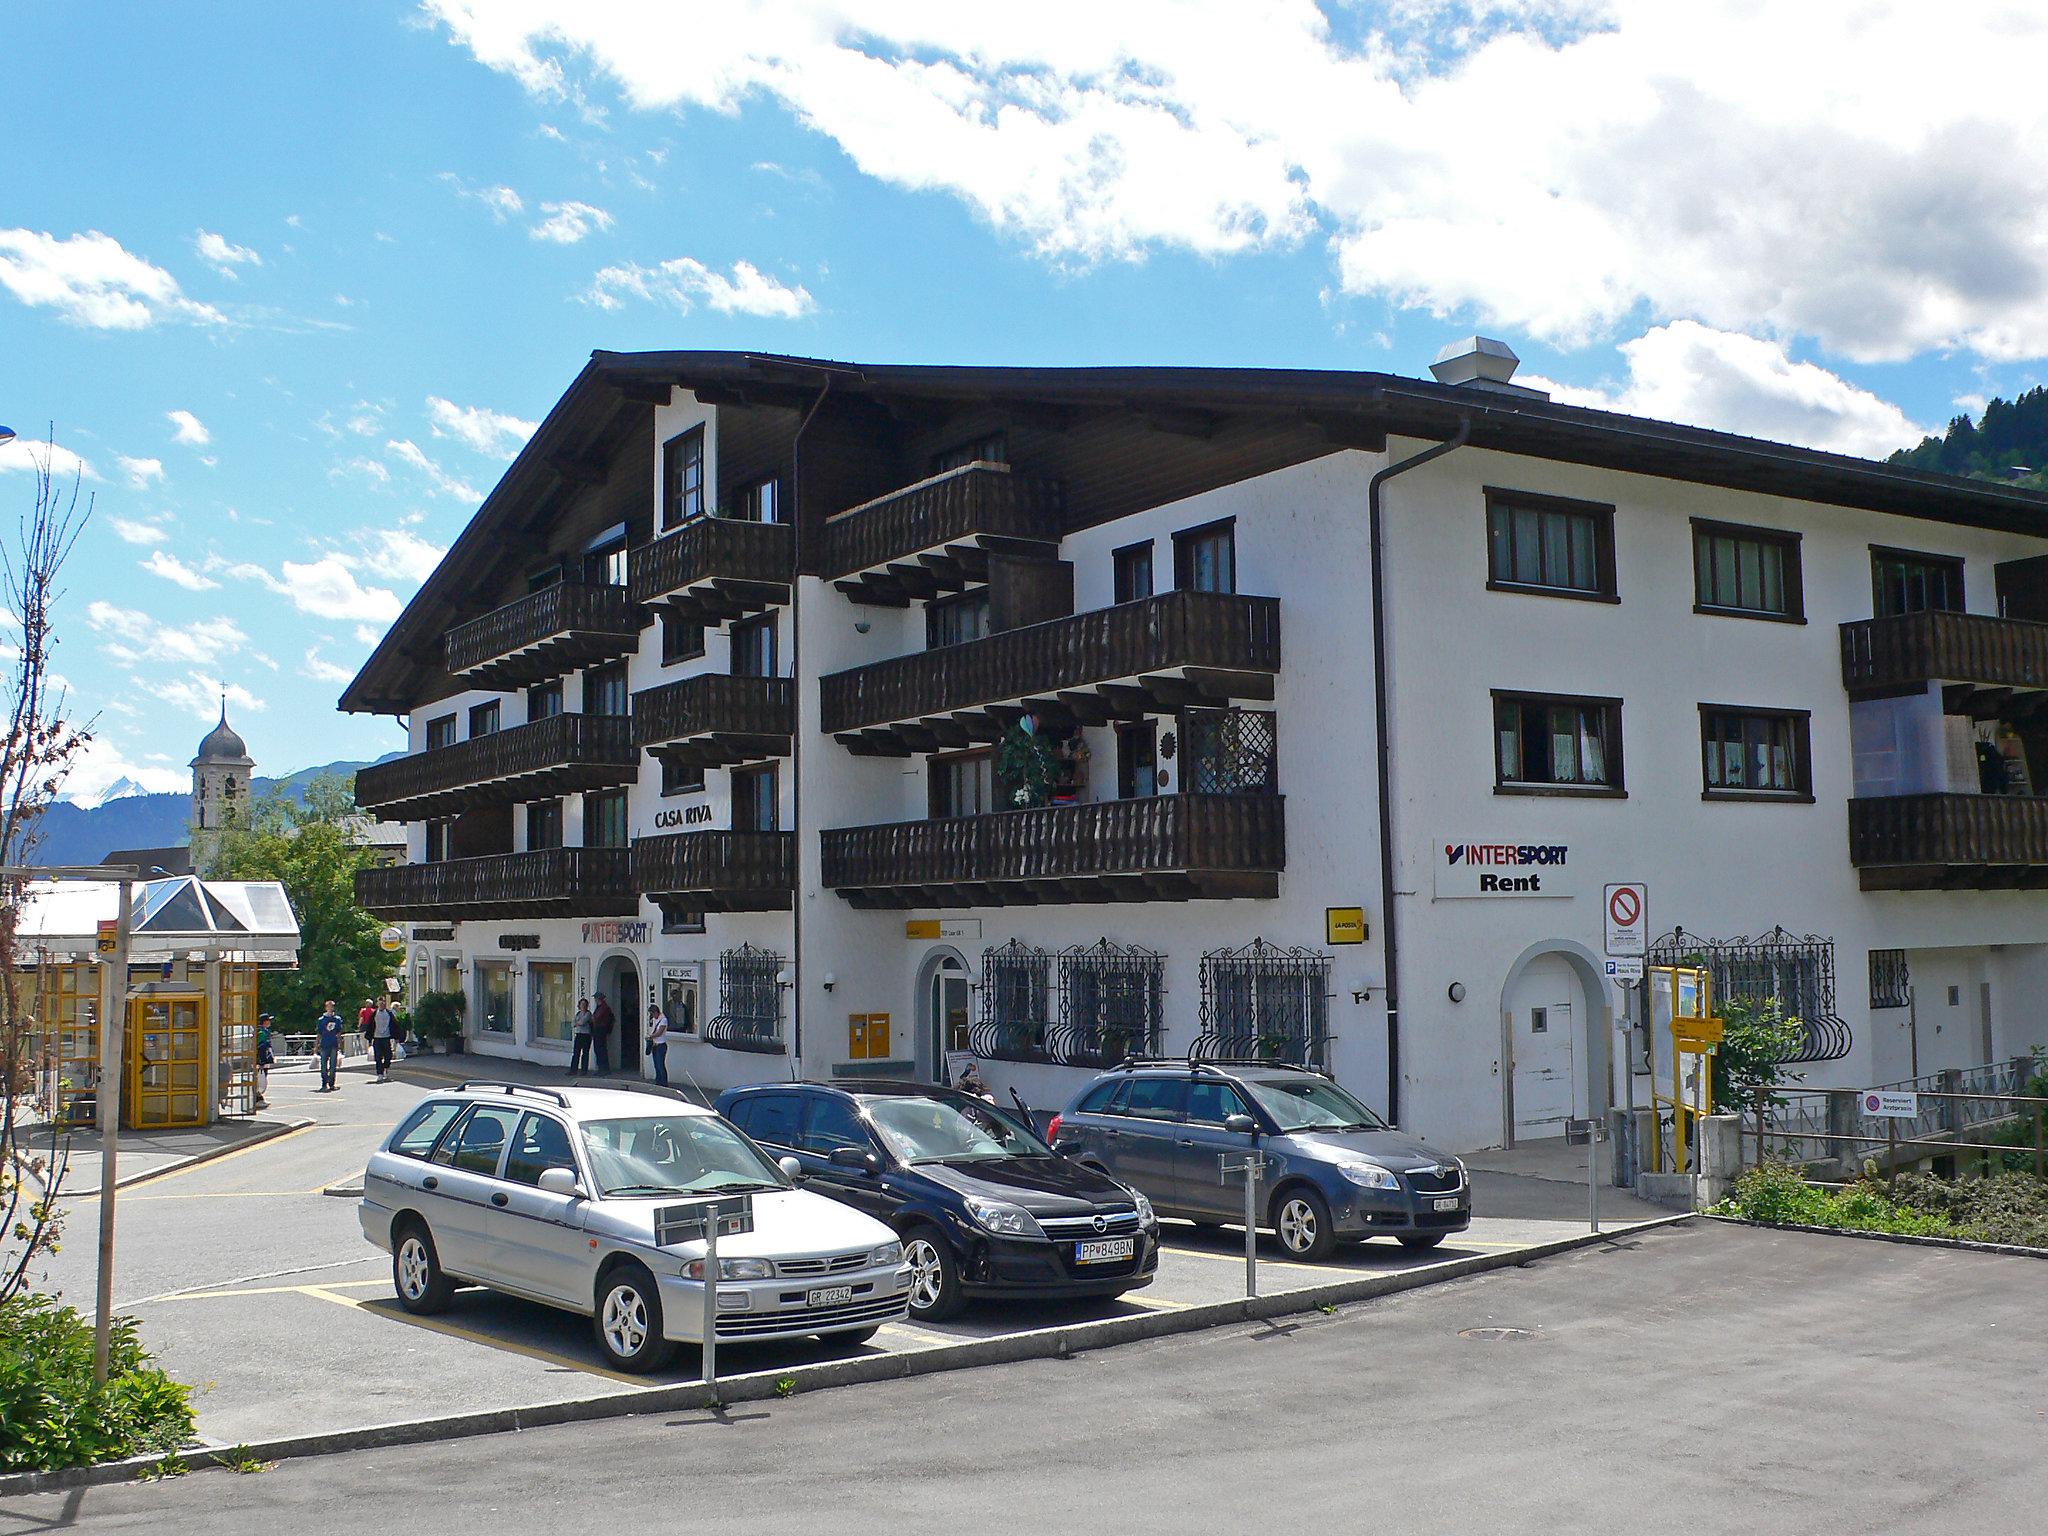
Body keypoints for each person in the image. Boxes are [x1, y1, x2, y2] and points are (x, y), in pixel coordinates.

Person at [314, 1000, 344, 1092]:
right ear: (326, 1008)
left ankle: (332, 1083)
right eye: (329, 1006)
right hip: (324, 1044)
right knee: (323, 1065)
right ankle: (324, 1083)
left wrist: (340, 1044)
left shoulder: (337, 1019)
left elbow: (339, 1033)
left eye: (332, 1006)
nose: (331, 1008)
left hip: (333, 1044)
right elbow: (319, 1033)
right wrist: (316, 1045)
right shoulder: (321, 1020)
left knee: (333, 1065)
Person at [369, 999, 395, 1082]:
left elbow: (394, 1025)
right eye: (380, 1004)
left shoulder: (389, 1013)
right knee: (378, 1057)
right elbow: (370, 1025)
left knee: (388, 1056)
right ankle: (380, 1073)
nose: (381, 1005)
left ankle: (385, 1067)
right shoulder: (374, 1014)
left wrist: (396, 1037)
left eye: (383, 1003)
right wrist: (370, 1038)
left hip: (386, 1037)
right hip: (377, 1038)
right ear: (377, 1004)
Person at [645, 1003, 669, 1088]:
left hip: (661, 1045)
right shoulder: (655, 1019)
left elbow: (659, 1032)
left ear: (656, 1012)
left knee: (660, 1064)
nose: (652, 1016)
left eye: (652, 1013)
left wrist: (650, 1036)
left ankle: (664, 1083)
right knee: (656, 1065)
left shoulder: (663, 1020)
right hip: (655, 1045)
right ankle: (658, 1082)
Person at [591, 994, 615, 1074]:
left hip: (600, 1030)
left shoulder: (603, 1007)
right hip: (599, 1030)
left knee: (600, 1050)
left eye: (596, 998)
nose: (595, 1000)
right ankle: (603, 1068)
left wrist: (593, 1019)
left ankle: (603, 1069)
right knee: (600, 1050)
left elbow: (596, 1017)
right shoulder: (602, 1007)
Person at [568, 997, 593, 1076]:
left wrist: (577, 1023)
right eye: (582, 1004)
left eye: (585, 1004)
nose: (583, 1006)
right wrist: (577, 1023)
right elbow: (573, 1024)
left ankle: (583, 1070)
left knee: (585, 1053)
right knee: (576, 1053)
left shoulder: (588, 1014)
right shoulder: (578, 1013)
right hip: (578, 1034)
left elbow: (582, 1022)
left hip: (586, 1035)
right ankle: (573, 1070)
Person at [255, 1012, 274, 1107]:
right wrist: (262, 1061)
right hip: (262, 1059)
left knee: (262, 1077)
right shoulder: (262, 1032)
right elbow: (261, 1047)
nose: (270, 1022)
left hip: (264, 1058)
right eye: (269, 1020)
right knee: (261, 1078)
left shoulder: (263, 1031)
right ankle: (257, 1097)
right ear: (265, 1022)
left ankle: (259, 1096)